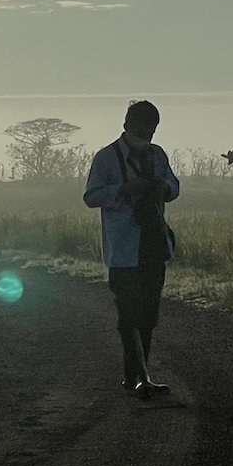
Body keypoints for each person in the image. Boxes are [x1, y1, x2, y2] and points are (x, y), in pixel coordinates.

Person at [82, 99, 180, 399]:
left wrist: (161, 188)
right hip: (123, 248)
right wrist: (125, 190)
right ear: (127, 125)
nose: (147, 133)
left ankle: (136, 377)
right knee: (128, 314)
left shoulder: (158, 155)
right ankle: (139, 377)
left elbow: (174, 187)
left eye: (152, 128)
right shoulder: (106, 158)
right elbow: (91, 196)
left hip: (153, 244)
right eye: (143, 127)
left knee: (148, 314)